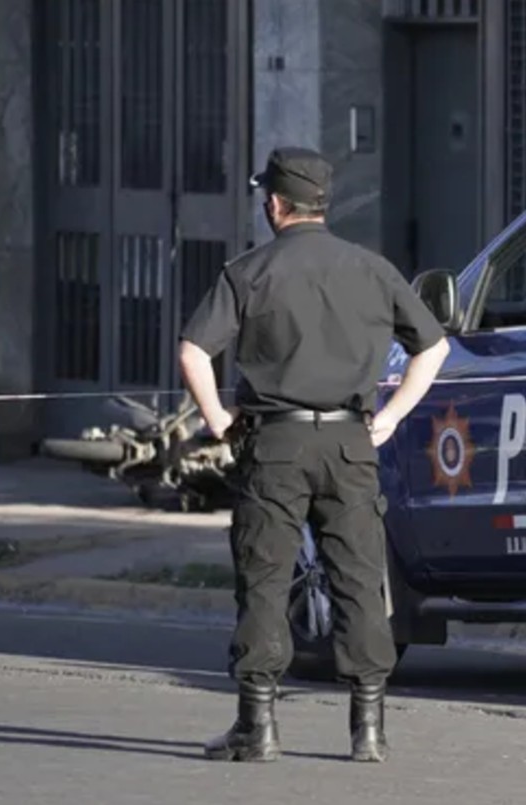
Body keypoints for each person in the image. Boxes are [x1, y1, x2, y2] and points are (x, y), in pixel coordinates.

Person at [179, 146, 451, 763]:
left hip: (274, 443)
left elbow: (194, 351)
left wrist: (220, 421)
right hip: (350, 443)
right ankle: (369, 729)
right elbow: (432, 349)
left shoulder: (247, 271)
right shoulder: (373, 270)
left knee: (267, 578)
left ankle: (258, 726)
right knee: (358, 578)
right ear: (321, 204)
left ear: (275, 204)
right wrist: (389, 417)